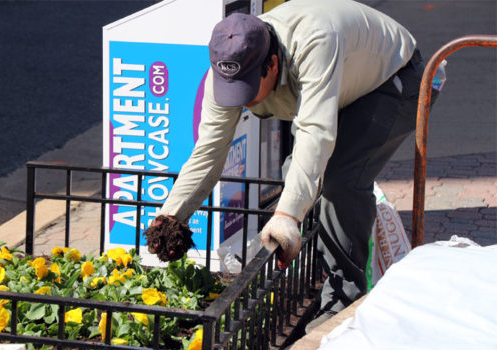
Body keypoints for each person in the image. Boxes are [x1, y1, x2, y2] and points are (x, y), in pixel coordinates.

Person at [145, 0, 435, 327]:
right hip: (338, 84)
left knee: (339, 180)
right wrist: (171, 215)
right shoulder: (228, 65)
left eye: (249, 90)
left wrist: (285, 216)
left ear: (271, 64)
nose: (242, 101)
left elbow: (315, 134)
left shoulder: (314, 43)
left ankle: (343, 302)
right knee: (296, 180)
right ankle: (307, 278)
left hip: (395, 79)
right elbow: (209, 148)